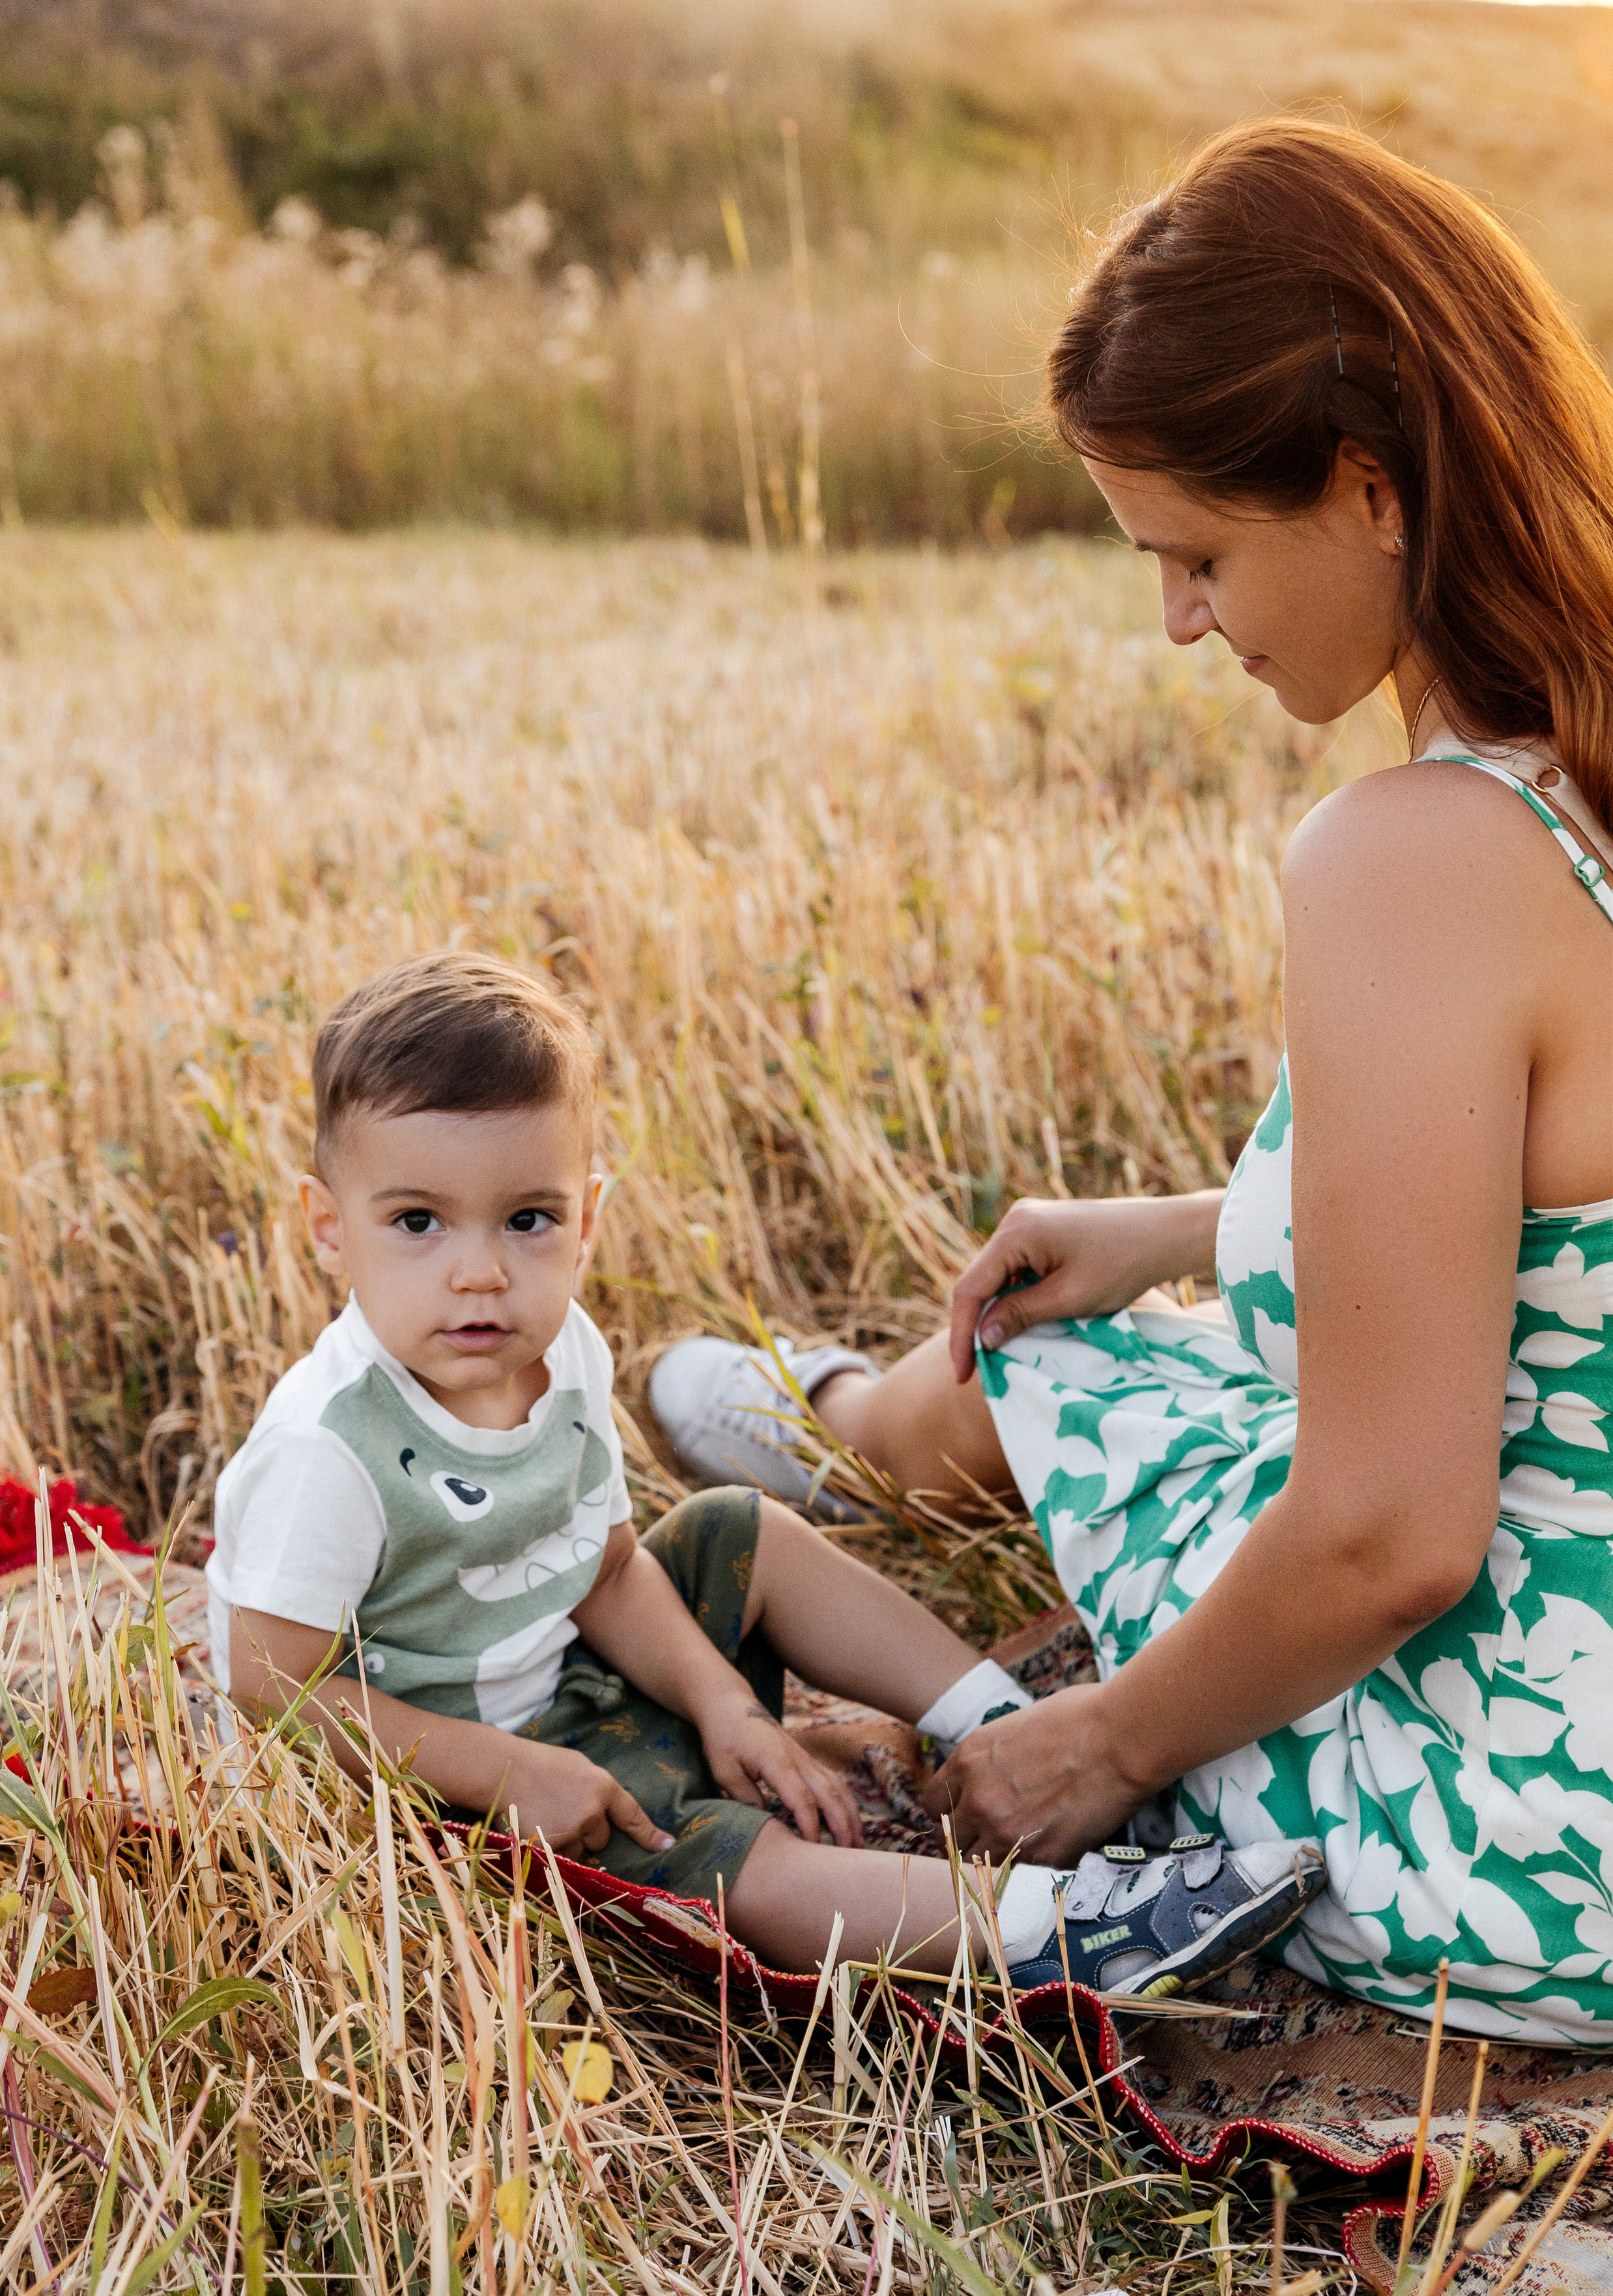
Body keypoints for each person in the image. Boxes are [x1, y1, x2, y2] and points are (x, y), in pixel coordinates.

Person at [649, 119, 1613, 2044]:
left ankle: (872, 1424)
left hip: (1534, 1840)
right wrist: (1192, 1225)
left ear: (1367, 488)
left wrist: (1099, 1745)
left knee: (1118, 1388)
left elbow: (1391, 1536)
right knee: (1142, 1328)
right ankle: (870, 1411)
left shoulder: (1415, 856)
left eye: (1197, 553)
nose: (1182, 622)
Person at [205, 951, 1322, 1997]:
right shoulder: (331, 1449)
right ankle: (1059, 1925)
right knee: (740, 1869)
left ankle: (1008, 1729)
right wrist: (503, 1772)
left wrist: (724, 1705)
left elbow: (602, 1569)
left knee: (745, 1527)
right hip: (449, 1780)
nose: (482, 1273)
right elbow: (267, 1683)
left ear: (587, 1218)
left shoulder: (559, 1354)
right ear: (326, 1229)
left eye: (529, 1219)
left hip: (574, 1678)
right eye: (416, 1223)